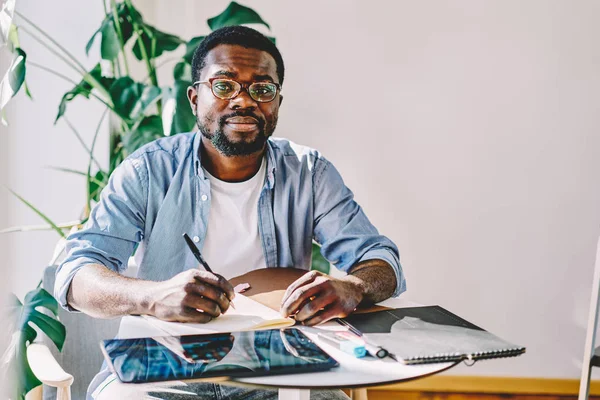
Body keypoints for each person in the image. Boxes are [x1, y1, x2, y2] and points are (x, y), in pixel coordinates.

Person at [56, 25, 406, 400]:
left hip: (279, 360)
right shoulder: (147, 171)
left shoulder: (310, 173)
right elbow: (76, 275)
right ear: (194, 99)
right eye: (224, 85)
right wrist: (154, 297)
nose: (243, 100)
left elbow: (381, 261)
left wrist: (352, 287)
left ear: (277, 103)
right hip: (163, 360)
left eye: (262, 89)